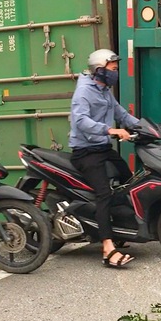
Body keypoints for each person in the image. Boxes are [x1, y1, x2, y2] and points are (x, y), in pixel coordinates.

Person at [69, 48, 140, 269]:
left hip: (102, 148)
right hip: (86, 152)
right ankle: (108, 248)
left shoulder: (105, 90)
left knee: (129, 181)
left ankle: (119, 229)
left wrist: (145, 127)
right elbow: (80, 121)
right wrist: (110, 131)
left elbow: (120, 113)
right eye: (113, 69)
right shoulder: (83, 92)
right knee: (104, 193)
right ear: (99, 69)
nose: (116, 73)